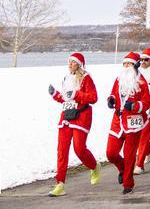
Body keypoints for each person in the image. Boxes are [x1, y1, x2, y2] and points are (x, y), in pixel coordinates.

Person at [47, 52, 100, 197]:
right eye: (69, 62)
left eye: (73, 62)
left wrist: (76, 95)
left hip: (81, 117)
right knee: (62, 151)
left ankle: (94, 166)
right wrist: (55, 94)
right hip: (66, 117)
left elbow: (93, 97)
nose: (70, 64)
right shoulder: (66, 78)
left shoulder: (86, 78)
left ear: (80, 64)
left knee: (79, 149)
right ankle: (60, 184)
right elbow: (65, 99)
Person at [105, 52, 150, 195]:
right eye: (124, 63)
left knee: (129, 154)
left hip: (133, 123)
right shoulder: (119, 79)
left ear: (136, 65)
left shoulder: (142, 82)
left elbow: (147, 102)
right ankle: (122, 168)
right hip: (117, 122)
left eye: (129, 64)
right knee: (111, 153)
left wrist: (136, 106)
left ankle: (128, 183)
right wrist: (111, 99)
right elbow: (114, 93)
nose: (125, 66)